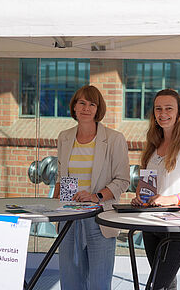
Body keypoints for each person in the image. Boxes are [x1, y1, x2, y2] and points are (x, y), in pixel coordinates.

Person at [53, 85, 130, 290]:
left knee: (99, 283)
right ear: (75, 107)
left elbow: (123, 180)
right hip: (69, 218)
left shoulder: (114, 139)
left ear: (98, 109)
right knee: (70, 282)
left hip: (99, 217)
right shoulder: (64, 137)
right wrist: (53, 209)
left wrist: (95, 196)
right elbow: (61, 177)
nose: (86, 108)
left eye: (92, 104)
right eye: (82, 103)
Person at [131, 88, 180, 290]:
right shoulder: (153, 145)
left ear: (179, 113)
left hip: (178, 226)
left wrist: (169, 199)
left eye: (168, 108)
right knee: (167, 284)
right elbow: (144, 186)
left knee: (157, 285)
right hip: (151, 223)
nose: (163, 113)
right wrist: (140, 197)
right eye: (158, 109)